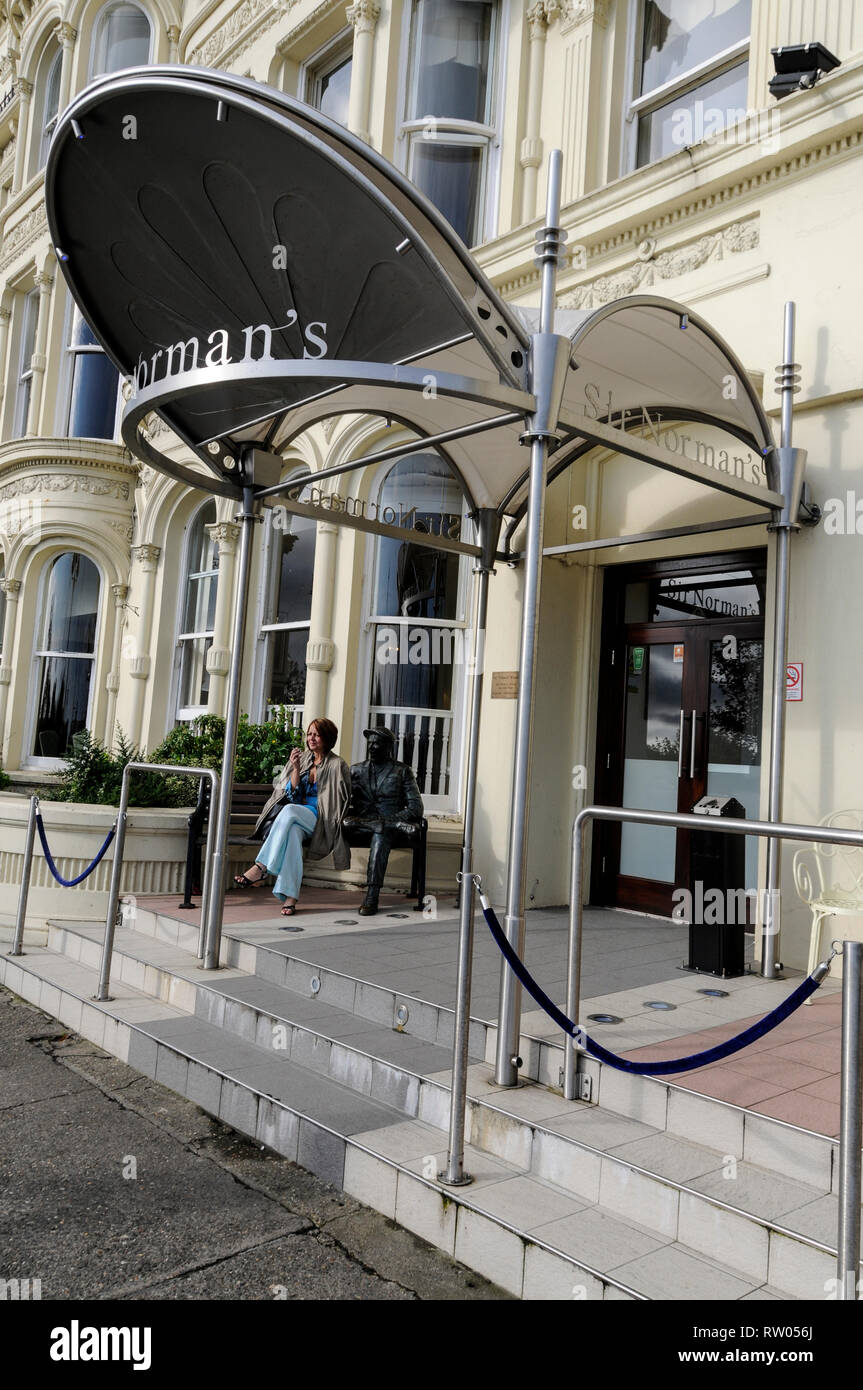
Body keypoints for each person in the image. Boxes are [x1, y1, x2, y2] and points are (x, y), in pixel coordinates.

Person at [233, 717, 351, 917]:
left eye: (316, 734)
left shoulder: (337, 764)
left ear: (327, 737)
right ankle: (290, 898)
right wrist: (296, 768)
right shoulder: (304, 758)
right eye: (309, 734)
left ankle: (261, 867)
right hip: (297, 819)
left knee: (288, 811)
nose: (311, 738)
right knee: (293, 835)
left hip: (320, 820)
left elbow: (340, 800)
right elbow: (291, 795)